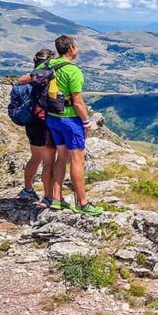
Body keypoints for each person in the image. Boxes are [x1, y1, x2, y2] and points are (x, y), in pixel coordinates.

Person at [43, 35, 104, 216]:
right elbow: (77, 102)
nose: (77, 50)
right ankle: (83, 203)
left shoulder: (48, 65)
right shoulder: (73, 71)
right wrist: (86, 122)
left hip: (52, 117)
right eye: (76, 47)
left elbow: (29, 77)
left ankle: (56, 199)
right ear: (70, 49)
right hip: (70, 120)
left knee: (61, 157)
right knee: (78, 160)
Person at [16, 48, 56, 208]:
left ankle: (27, 189)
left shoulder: (32, 77)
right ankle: (48, 198)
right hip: (43, 123)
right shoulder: (42, 77)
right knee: (48, 161)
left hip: (31, 122)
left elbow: (21, 80)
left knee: (36, 157)